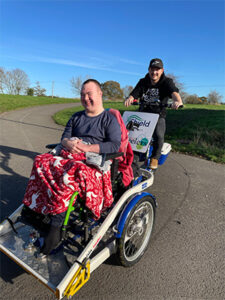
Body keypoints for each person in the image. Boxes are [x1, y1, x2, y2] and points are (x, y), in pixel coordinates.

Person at [23, 79, 122, 255]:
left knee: (70, 173)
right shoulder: (76, 117)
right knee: (40, 161)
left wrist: (86, 148)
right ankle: (33, 209)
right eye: (82, 94)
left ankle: (56, 224)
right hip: (69, 156)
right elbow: (64, 138)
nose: (85, 98)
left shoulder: (109, 120)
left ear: (99, 94)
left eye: (89, 94)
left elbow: (115, 146)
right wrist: (68, 143)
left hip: (92, 161)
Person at [124, 58, 183, 169]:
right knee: (132, 133)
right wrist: (130, 98)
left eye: (157, 69)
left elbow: (174, 92)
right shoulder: (143, 81)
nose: (154, 72)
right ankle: (133, 157)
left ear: (162, 70)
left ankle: (155, 157)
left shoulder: (167, 82)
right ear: (149, 69)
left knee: (159, 135)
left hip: (158, 114)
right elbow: (135, 93)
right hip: (143, 114)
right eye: (152, 69)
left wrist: (177, 101)